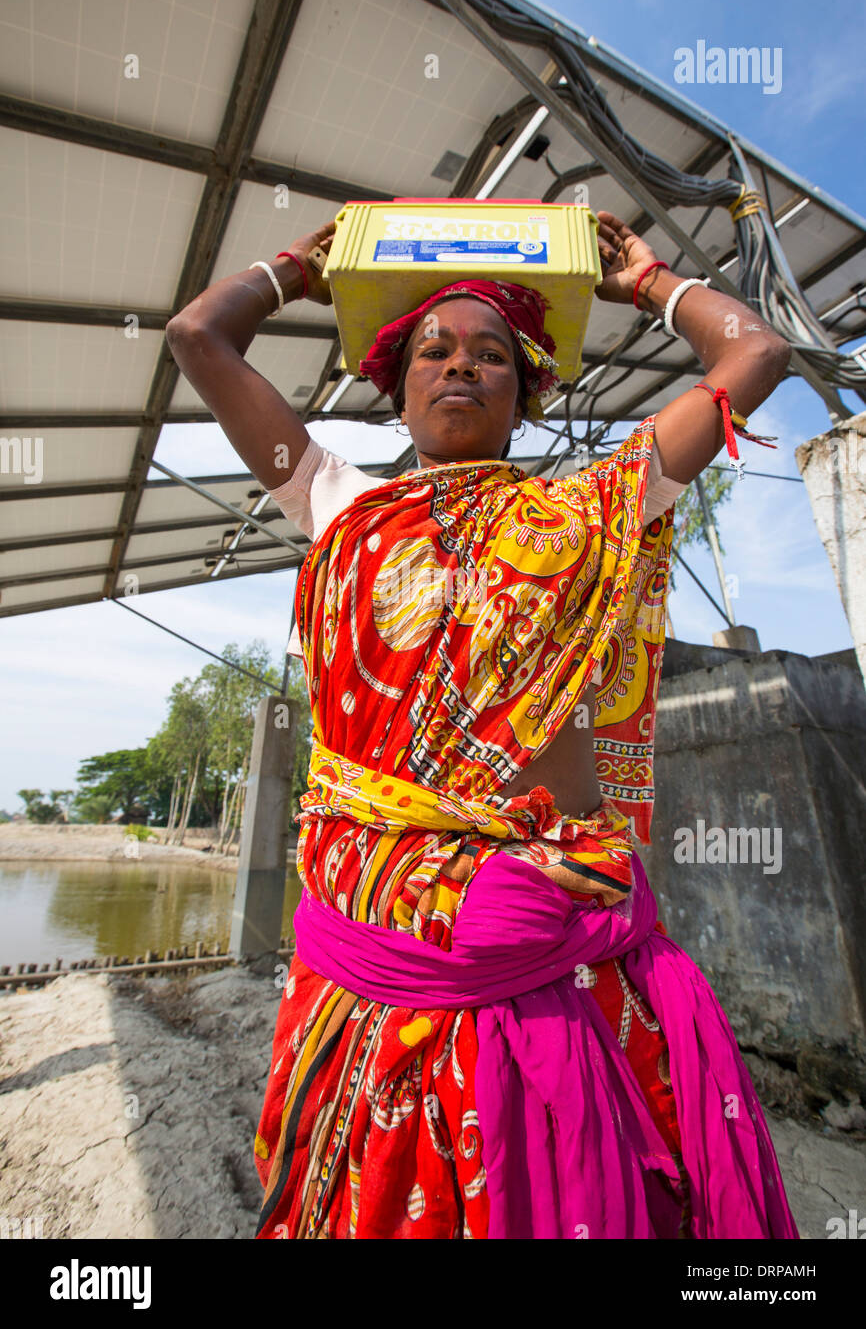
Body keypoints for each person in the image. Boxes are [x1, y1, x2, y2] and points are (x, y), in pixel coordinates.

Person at [166, 211, 798, 1240]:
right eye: (433, 350)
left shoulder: (596, 506)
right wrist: (299, 268)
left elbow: (755, 353)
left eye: (490, 355)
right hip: (377, 961)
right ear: (399, 384)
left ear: (525, 389)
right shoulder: (337, 504)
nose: (459, 367)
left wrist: (643, 279)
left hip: (559, 948)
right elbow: (199, 337)